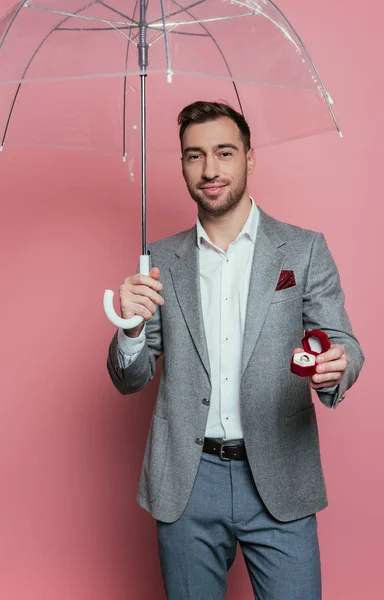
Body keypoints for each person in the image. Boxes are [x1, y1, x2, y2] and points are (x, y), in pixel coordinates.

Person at [107, 101, 364, 600]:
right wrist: (131, 327)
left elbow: (344, 343)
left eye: (224, 152)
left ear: (249, 157)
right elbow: (129, 378)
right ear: (182, 165)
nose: (210, 170)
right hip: (187, 478)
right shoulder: (159, 259)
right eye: (194, 156)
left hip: (280, 473)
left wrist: (337, 366)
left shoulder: (304, 249)